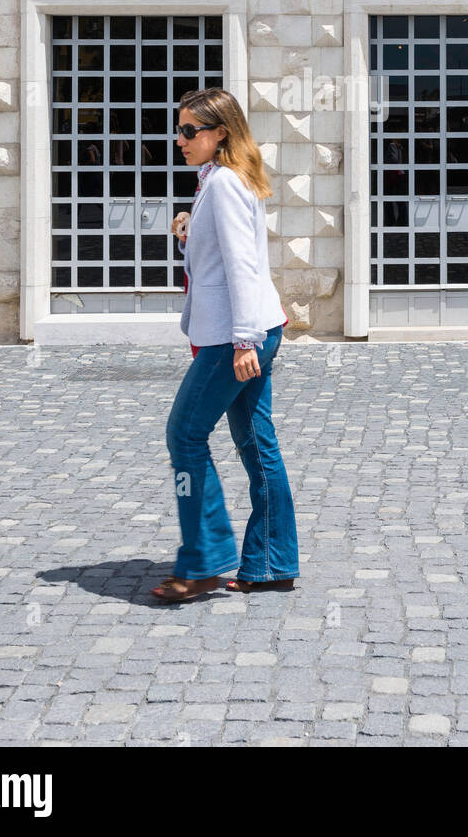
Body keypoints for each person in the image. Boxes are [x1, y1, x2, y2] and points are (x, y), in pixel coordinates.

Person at [150, 87, 297, 602]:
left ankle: (204, 562)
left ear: (220, 134)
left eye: (191, 131)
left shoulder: (227, 183)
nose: (181, 139)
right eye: (180, 128)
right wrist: (189, 234)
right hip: (249, 328)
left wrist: (244, 342)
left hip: (235, 335)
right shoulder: (217, 179)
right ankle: (271, 564)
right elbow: (225, 254)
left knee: (185, 436)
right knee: (258, 447)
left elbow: (244, 267)